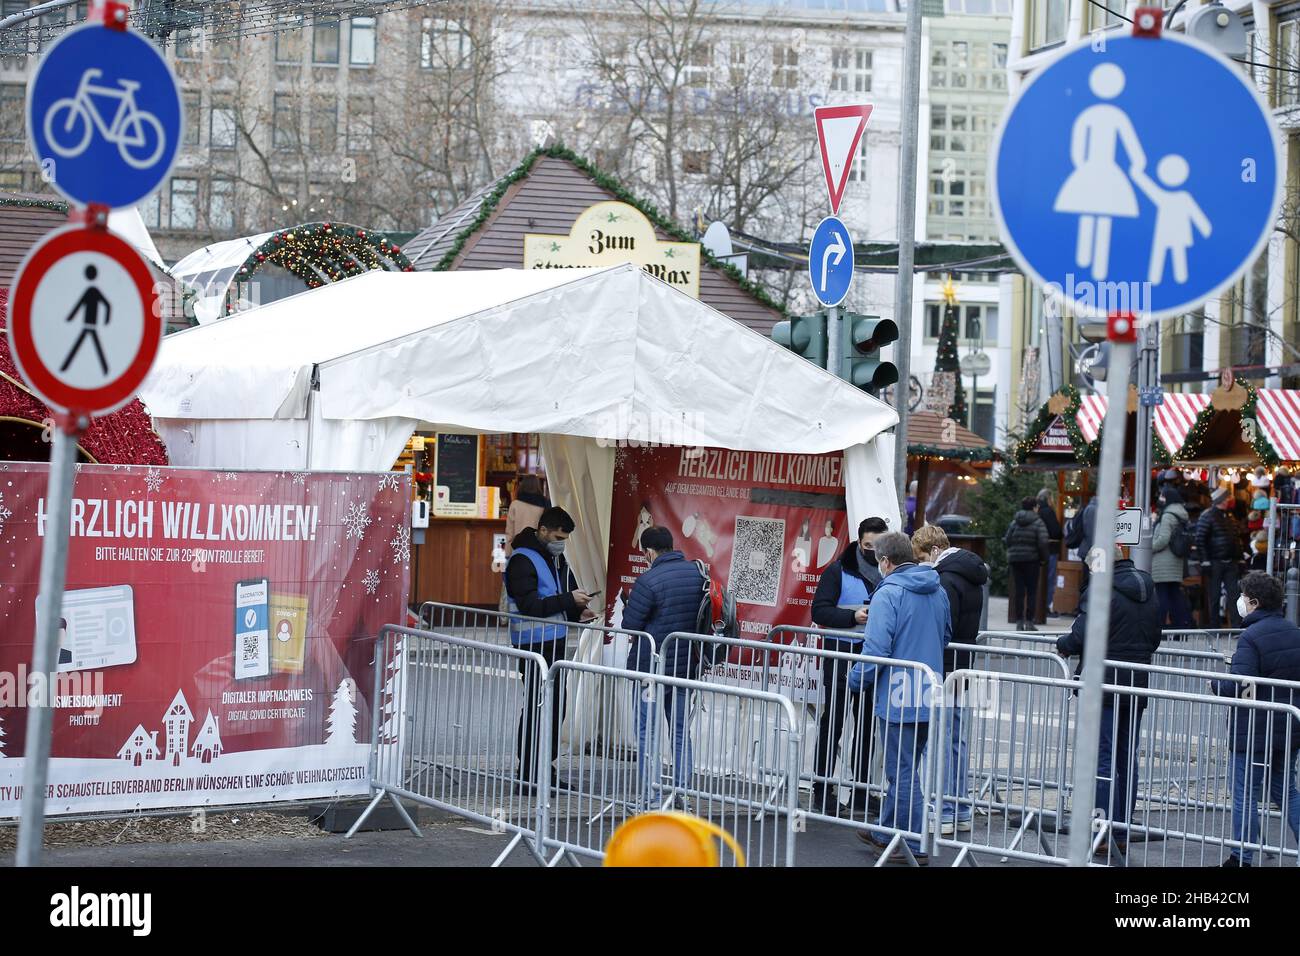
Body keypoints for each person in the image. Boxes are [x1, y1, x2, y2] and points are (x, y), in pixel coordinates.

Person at [847, 532, 950, 865]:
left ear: (886, 562)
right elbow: (945, 636)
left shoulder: (888, 593)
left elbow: (876, 647)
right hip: (928, 689)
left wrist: (856, 679)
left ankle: (914, 844)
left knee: (901, 770)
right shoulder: (938, 589)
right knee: (907, 766)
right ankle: (885, 832)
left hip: (896, 694)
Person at [1055, 546, 1161, 860]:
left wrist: (1063, 645)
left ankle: (1102, 828)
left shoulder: (1102, 590)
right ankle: (1122, 828)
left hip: (1103, 681)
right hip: (1136, 681)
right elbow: (1155, 637)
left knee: (1102, 757)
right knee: (1127, 757)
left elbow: (1080, 636)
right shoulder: (1148, 588)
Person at [504, 506, 596, 790]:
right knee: (537, 707)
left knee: (555, 707)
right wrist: (569, 600)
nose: (561, 542)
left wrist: (576, 611)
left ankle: (545, 767)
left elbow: (555, 599)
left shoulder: (553, 558)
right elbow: (531, 606)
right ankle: (530, 772)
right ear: (542, 530)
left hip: (552, 644)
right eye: (558, 536)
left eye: (565, 538)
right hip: (533, 647)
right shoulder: (522, 561)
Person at [1212, 573, 1300, 867]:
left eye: (1244, 597)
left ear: (1255, 602)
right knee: (1285, 790)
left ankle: (1241, 858)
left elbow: (1239, 684)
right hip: (1288, 728)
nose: (1241, 602)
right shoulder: (1293, 631)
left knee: (1245, 793)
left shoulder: (1250, 636)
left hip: (1254, 730)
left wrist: (1216, 683)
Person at [622, 526, 706, 811]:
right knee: (681, 731)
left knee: (648, 732)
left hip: (651, 669)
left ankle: (652, 797)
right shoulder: (697, 574)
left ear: (648, 551)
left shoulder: (648, 580)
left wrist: (627, 606)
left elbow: (630, 625)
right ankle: (682, 796)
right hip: (684, 668)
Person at [809, 516, 887, 817]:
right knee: (834, 724)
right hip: (841, 655)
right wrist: (852, 618)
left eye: (878, 546)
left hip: (873, 656)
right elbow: (820, 610)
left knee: (868, 726)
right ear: (858, 541)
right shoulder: (837, 570)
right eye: (868, 545)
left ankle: (862, 791)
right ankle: (822, 789)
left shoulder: (888, 572)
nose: (873, 551)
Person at [913, 524, 987, 834]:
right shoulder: (971, 574)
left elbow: (943, 625)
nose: (919, 563)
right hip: (964, 665)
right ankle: (959, 807)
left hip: (943, 667)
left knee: (939, 740)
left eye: (920, 556)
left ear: (932, 551)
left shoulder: (944, 578)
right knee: (956, 739)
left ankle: (941, 809)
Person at [1197, 487, 1244, 628]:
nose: (1228, 501)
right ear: (1220, 500)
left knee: (1234, 595)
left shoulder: (1229, 516)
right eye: (1225, 498)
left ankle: (1236, 627)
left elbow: (1236, 539)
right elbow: (1200, 539)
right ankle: (1214, 626)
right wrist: (1205, 561)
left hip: (1230, 562)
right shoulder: (1207, 516)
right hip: (1214, 561)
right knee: (1214, 596)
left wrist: (1240, 557)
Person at [1151, 485, 1192, 628]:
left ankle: (1160, 626)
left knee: (1162, 595)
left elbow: (1163, 539)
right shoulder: (1181, 513)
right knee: (1175, 595)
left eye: (1162, 496)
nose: (1160, 499)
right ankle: (1181, 627)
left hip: (1163, 562)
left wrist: (1149, 548)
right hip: (1175, 561)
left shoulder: (1168, 515)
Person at [1005, 496, 1049, 630]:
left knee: (1019, 591)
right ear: (1034, 507)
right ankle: (1029, 621)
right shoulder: (1038, 522)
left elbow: (1007, 539)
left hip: (1016, 560)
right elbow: (1043, 542)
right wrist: (1043, 558)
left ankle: (1019, 621)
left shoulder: (1015, 522)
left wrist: (1013, 552)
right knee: (1031, 591)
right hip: (1032, 560)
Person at [503, 475, 549, 556]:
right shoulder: (544, 505)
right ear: (538, 486)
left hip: (518, 550)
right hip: (538, 552)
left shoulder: (515, 504)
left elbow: (510, 532)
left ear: (522, 486)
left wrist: (508, 553)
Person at [1037, 489, 1063, 615]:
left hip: (1039, 549)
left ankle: (1039, 606)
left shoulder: (1038, 510)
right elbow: (1056, 531)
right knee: (1049, 578)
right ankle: (1045, 607)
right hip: (1051, 549)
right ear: (1048, 498)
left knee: (1040, 578)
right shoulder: (1048, 511)